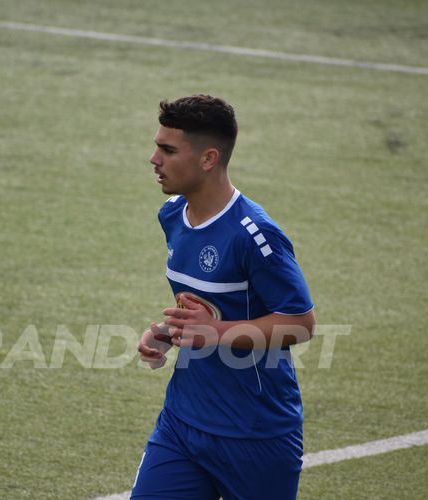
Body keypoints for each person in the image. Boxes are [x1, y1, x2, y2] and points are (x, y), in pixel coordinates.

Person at [132, 94, 316, 500]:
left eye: (168, 150)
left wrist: (215, 332)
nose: (154, 159)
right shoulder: (172, 215)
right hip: (182, 423)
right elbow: (206, 305)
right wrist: (168, 332)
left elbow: (301, 323)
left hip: (255, 435)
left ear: (208, 159)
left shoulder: (255, 234)